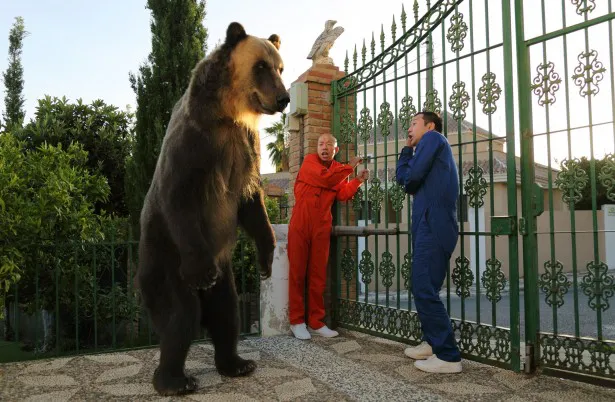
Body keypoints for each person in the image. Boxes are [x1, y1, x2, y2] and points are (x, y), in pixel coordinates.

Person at [395, 111, 462, 373]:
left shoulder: (434, 139)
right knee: (423, 286)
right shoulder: (424, 148)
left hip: (435, 227)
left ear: (429, 125)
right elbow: (404, 180)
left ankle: (448, 355)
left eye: (414, 123)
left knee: (423, 287)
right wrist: (405, 151)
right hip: (427, 227)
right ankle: (433, 342)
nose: (409, 128)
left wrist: (408, 159)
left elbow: (410, 179)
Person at [288, 133, 369, 340]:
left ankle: (316, 322)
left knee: (318, 275)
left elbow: (341, 194)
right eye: (320, 143)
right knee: (297, 273)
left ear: (336, 149)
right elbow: (326, 179)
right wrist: (350, 168)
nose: (324, 147)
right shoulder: (310, 162)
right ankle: (297, 321)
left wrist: (358, 181)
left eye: (329, 144)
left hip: (322, 226)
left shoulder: (337, 171)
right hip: (301, 224)